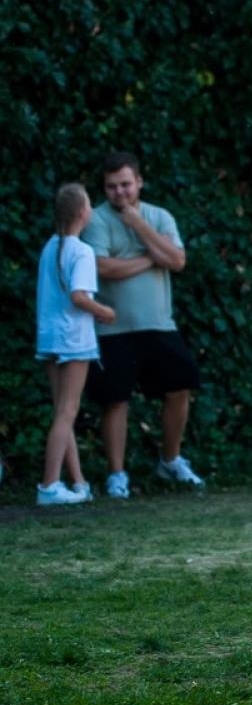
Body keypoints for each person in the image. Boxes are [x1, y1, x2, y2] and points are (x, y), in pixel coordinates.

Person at [83, 152, 204, 498]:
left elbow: (178, 261)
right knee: (115, 399)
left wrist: (139, 226)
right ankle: (117, 475)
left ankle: (170, 460)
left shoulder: (159, 216)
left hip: (158, 325)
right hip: (113, 328)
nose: (119, 193)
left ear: (139, 182)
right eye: (111, 187)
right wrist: (151, 258)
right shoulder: (97, 220)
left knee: (181, 387)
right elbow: (102, 268)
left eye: (125, 184)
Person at [35, 183, 115, 506]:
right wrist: (104, 311)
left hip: (51, 336)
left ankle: (78, 483)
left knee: (61, 413)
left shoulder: (49, 246)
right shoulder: (81, 252)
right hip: (73, 339)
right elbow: (79, 296)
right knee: (67, 411)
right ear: (83, 212)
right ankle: (50, 485)